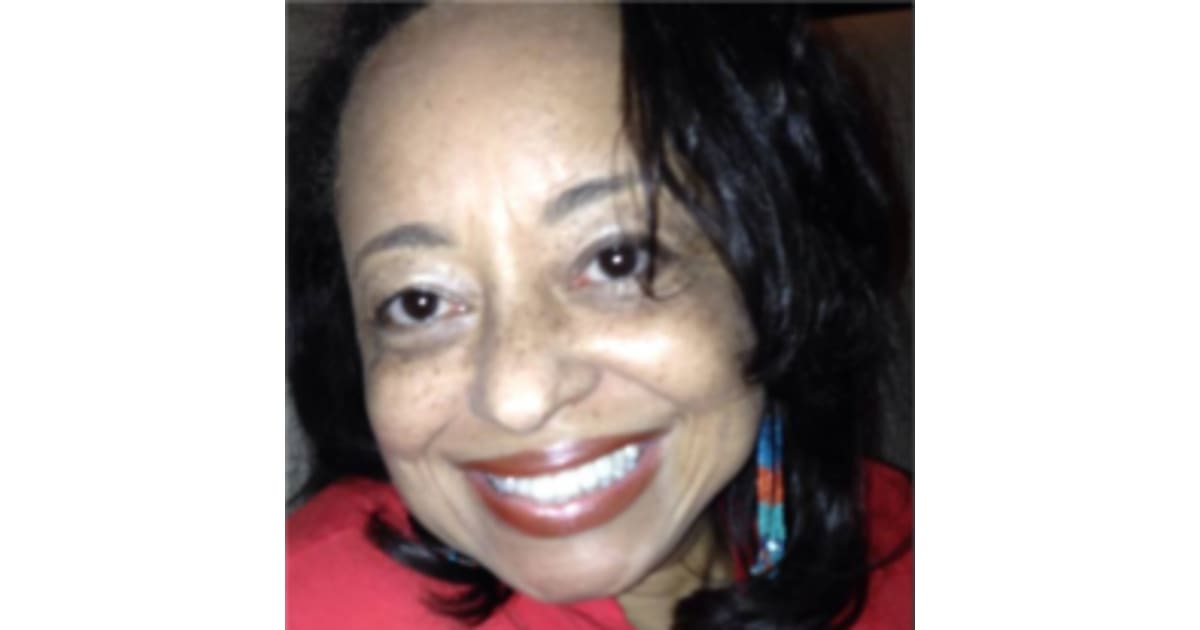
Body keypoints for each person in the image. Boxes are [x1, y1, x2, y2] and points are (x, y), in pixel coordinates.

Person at [286, 4, 912, 629]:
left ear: (774, 271)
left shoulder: (901, 555)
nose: (517, 398)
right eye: (419, 302)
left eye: (617, 260)